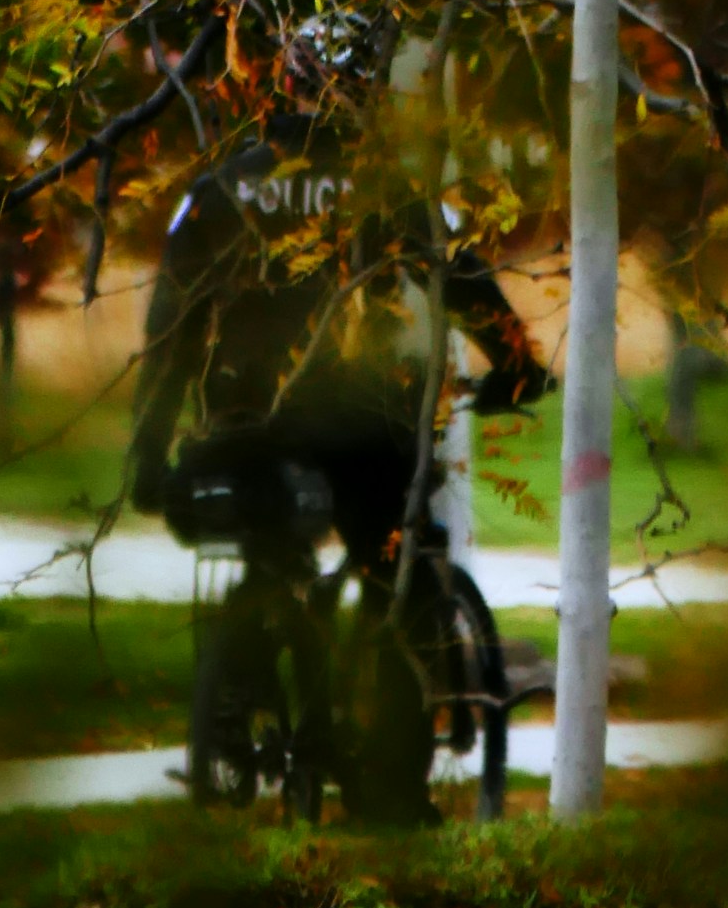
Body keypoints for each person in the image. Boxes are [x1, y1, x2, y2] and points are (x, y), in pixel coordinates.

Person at [126, 72, 546, 571]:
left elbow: (171, 333)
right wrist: (515, 363)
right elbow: (456, 276)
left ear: (281, 86)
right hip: (358, 418)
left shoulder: (218, 190)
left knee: (266, 549)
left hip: (246, 415)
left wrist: (148, 454)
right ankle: (401, 605)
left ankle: (271, 594)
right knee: (390, 558)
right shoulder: (382, 186)